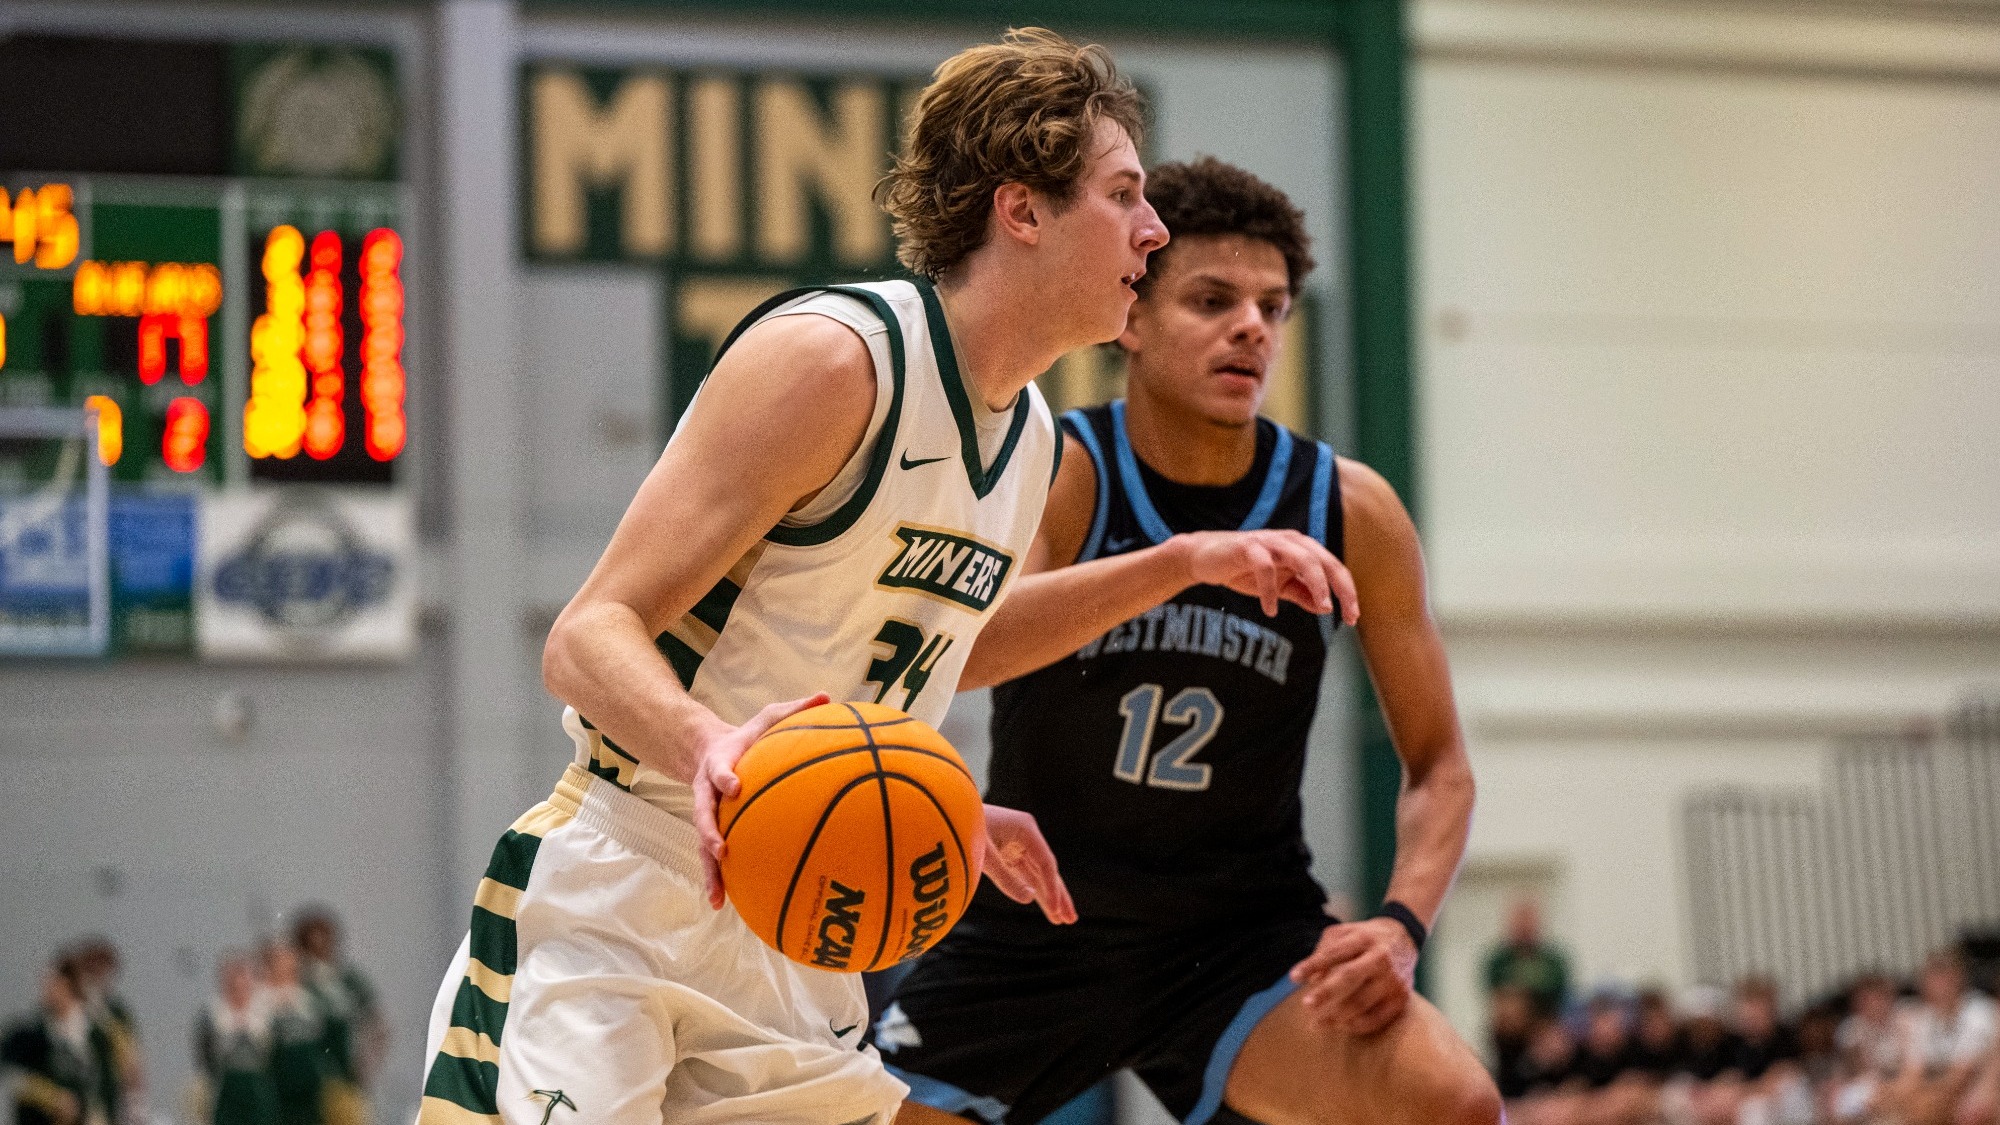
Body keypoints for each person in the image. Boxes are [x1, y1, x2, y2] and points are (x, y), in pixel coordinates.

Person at [417, 28, 1334, 1125]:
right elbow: (584, 636)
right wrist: (710, 748)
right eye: (1124, 194)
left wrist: (1173, 573)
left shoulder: (1028, 437)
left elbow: (953, 644)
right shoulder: (835, 361)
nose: (1152, 229)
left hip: (794, 930)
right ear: (1022, 209)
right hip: (625, 885)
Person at [878, 156, 1494, 1125]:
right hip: (1037, 929)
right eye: (1210, 300)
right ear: (1130, 317)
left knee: (1451, 1104)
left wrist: (1399, 924)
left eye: (1271, 307)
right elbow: (974, 646)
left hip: (1238, 937)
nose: (1249, 326)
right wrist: (1179, 562)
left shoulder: (1348, 508)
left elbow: (1438, 765)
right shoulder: (1062, 467)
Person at [1883, 948, 1998, 1125]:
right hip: (1942, 1089)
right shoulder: (1926, 1018)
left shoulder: (1978, 1013)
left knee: (1926, 1107)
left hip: (1976, 1088)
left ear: (1959, 979)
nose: (1938, 985)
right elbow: (1913, 1072)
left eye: (1943, 978)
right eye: (1932, 979)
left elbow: (1960, 1077)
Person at [292, 909, 381, 1125]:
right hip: (304, 1083)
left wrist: (367, 1063)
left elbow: (376, 1023)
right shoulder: (297, 983)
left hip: (345, 1076)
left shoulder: (348, 981)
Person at [3, 960, 114, 1125]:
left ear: (68, 986)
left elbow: (105, 1086)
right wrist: (50, 1097)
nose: (46, 991)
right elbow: (11, 1075)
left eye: (53, 984)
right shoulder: (28, 1034)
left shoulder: (96, 1036)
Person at [194, 953, 279, 1125]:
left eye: (244, 983)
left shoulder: (265, 1014)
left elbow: (273, 1052)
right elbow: (205, 1054)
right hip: (225, 1085)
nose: (239, 989)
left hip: (258, 1085)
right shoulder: (213, 1014)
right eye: (233, 984)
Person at [64, 940, 138, 1125]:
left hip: (109, 1095)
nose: (101, 979)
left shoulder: (117, 1013)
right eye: (93, 972)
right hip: (74, 1095)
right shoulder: (69, 1009)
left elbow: (131, 1060)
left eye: (106, 973)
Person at [260, 945, 325, 1125]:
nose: (285, 969)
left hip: (306, 1080)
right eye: (280, 963)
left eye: (290, 964)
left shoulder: (308, 1000)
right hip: (274, 1078)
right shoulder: (260, 1000)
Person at [1486, 899, 1571, 1020]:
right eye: (1520, 919)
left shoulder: (1554, 961)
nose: (1524, 926)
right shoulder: (1498, 962)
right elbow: (1495, 995)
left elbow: (1558, 993)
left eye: (1529, 919)